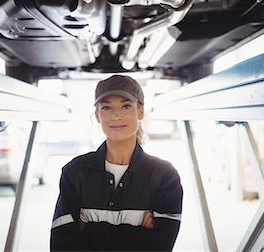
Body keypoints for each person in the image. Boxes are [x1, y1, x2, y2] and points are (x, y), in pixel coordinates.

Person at [50, 74, 183, 251]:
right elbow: (62, 246)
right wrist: (137, 234)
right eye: (106, 108)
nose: (115, 116)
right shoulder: (74, 171)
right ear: (97, 115)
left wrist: (89, 230)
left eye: (126, 106)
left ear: (141, 111)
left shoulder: (164, 176)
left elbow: (160, 246)